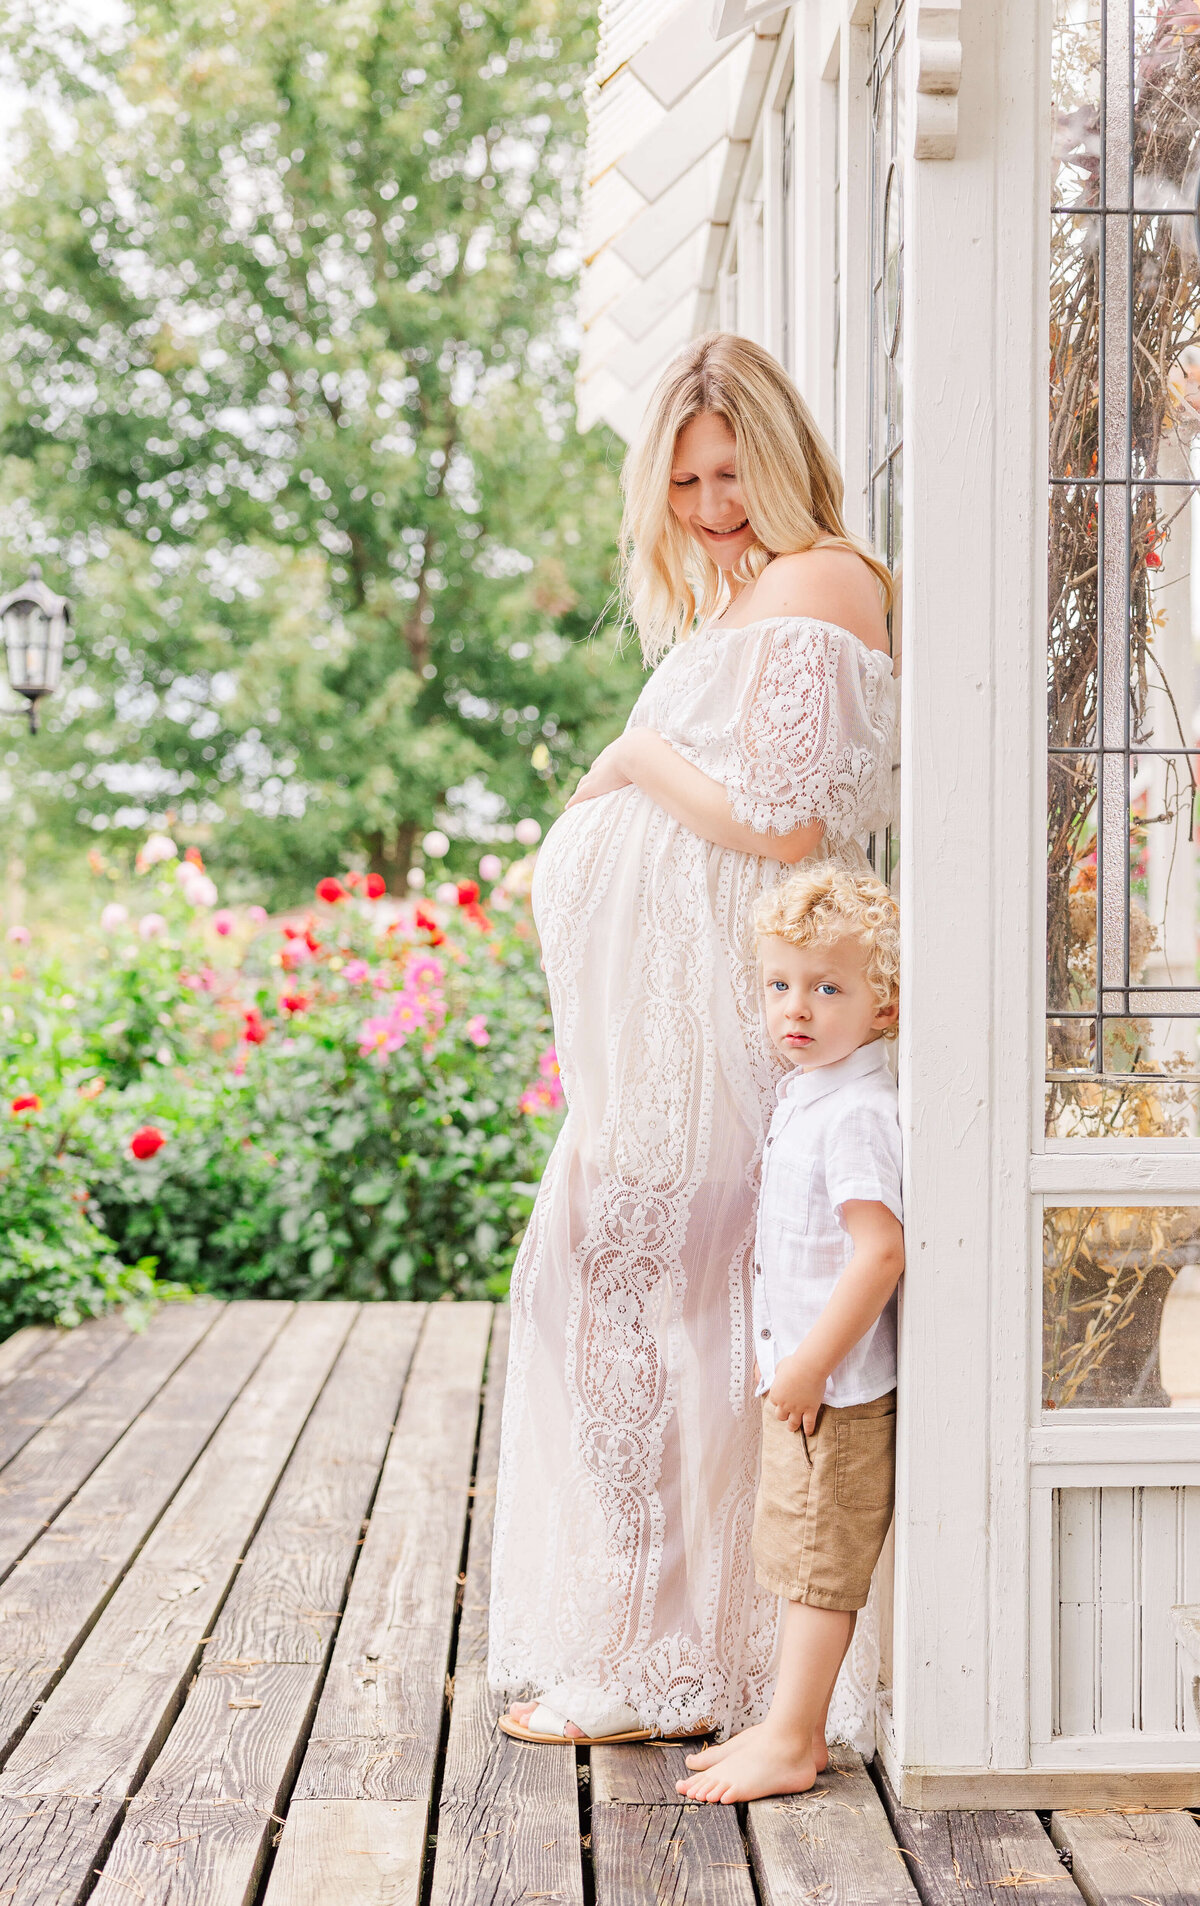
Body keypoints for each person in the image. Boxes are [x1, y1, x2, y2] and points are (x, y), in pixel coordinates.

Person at [489, 331, 898, 1746]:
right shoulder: (743, 597)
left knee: (654, 1305)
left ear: (781, 458)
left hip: (731, 1018)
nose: (713, 503)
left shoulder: (823, 578)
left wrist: (629, 762)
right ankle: (675, 1644)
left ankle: (670, 1655)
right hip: (669, 1030)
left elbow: (784, 823)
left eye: (732, 471)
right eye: (686, 481)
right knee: (626, 1301)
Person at [676, 867, 903, 1801]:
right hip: (806, 1382)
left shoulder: (856, 1114)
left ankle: (795, 1736)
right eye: (780, 985)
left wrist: (808, 1365)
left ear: (883, 1005)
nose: (796, 1008)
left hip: (835, 1389)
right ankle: (787, 1728)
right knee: (793, 1554)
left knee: (818, 1569)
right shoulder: (810, 1094)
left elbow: (880, 1253)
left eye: (828, 987)